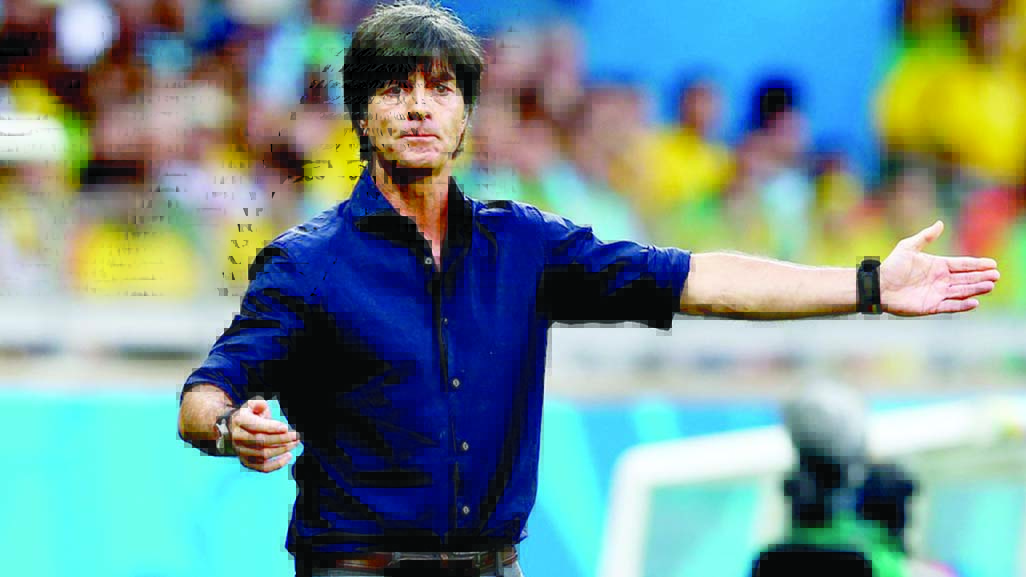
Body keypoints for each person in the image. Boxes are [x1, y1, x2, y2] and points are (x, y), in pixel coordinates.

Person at [177, 2, 1001, 576]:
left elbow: (695, 279)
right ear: (361, 114)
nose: (420, 107)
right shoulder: (306, 264)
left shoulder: (525, 244)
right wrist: (229, 428)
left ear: (467, 115)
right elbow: (205, 393)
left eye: (441, 88)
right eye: (396, 88)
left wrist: (865, 283)